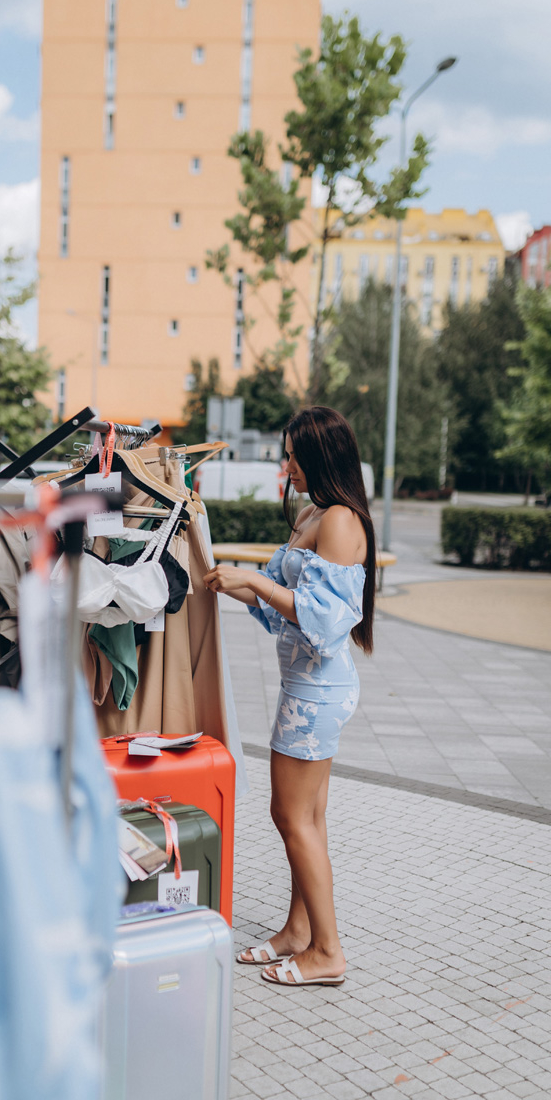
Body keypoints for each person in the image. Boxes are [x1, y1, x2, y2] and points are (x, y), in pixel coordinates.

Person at [203, 407, 375, 988]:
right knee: (309, 817)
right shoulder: (312, 514)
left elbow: (324, 625)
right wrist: (238, 587)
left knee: (290, 815)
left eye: (293, 454)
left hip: (318, 690)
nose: (286, 464)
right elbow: (286, 619)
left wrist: (252, 580)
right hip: (308, 685)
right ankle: (299, 932)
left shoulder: (341, 522)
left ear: (321, 457)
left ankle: (328, 951)